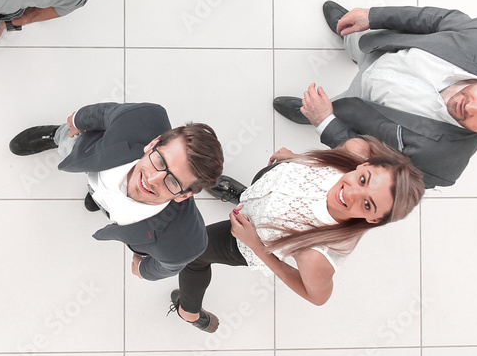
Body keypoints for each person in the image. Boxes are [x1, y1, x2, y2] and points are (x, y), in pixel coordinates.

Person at [273, 2, 477, 188]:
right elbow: (434, 19)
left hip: (361, 103)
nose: (470, 106)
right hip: (384, 47)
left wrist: (326, 122)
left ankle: (308, 113)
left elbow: (373, 164)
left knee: (326, 109)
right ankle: (349, 36)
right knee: (357, 40)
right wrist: (372, 17)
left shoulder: (441, 164)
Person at [169, 136, 424, 332]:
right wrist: (297, 159)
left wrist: (256, 245)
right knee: (257, 197)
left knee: (193, 254)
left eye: (367, 204)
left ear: (373, 218)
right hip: (273, 189)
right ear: (364, 165)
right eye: (363, 180)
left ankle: (189, 312)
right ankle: (243, 198)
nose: (350, 194)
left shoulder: (316, 255)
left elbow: (316, 296)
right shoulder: (355, 151)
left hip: (254, 238)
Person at [9, 102, 223, 280]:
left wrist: (142, 270)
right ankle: (55, 136)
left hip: (121, 214)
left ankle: (99, 200)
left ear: (184, 195)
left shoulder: (183, 244)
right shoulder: (144, 118)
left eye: (173, 182)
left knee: (103, 205)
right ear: (153, 143)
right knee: (68, 144)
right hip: (93, 154)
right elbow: (104, 113)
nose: (152, 179)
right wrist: (76, 121)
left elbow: (166, 267)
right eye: (159, 160)